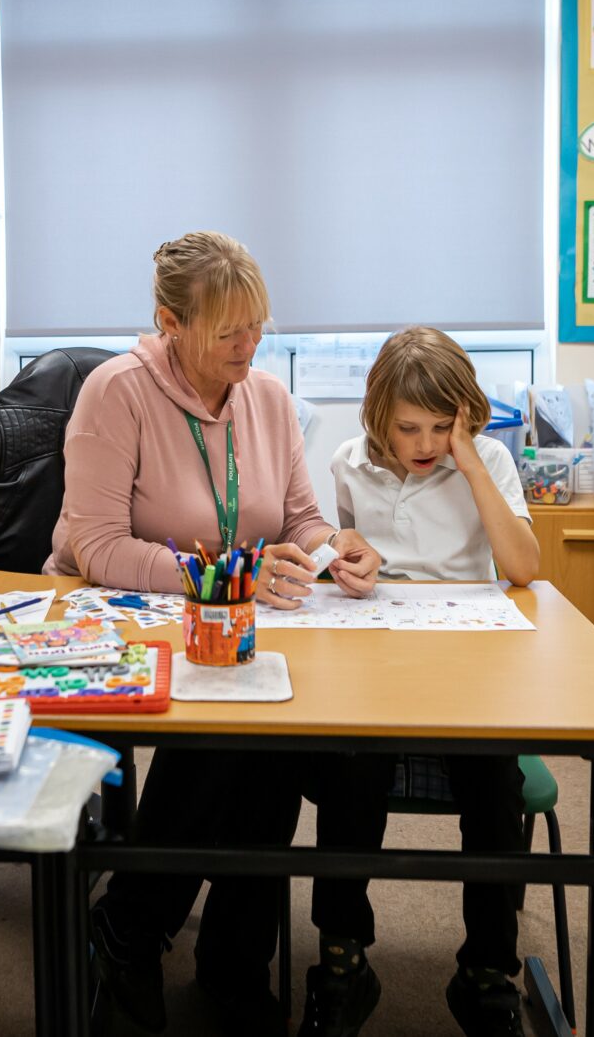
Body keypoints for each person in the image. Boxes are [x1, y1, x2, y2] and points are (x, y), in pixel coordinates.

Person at [47, 231, 381, 1035]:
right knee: (236, 736)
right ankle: (141, 929)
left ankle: (217, 953)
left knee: (273, 734)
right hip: (125, 616)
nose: (249, 344)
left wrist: (338, 545)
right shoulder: (115, 392)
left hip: (240, 620)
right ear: (170, 321)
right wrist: (221, 572)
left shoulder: (265, 396)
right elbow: (93, 547)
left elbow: (297, 517)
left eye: (257, 325)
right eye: (229, 330)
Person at [299, 326, 540, 1037]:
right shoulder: (348, 463)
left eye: (442, 425)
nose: (425, 440)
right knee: (349, 773)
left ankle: (487, 971)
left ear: (465, 416)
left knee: (494, 787)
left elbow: (525, 568)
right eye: (409, 427)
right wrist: (343, 556)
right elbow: (325, 553)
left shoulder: (487, 458)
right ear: (378, 417)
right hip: (375, 663)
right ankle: (342, 956)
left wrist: (471, 464)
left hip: (470, 672)